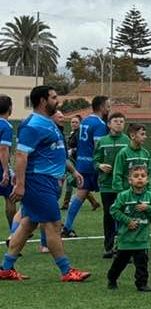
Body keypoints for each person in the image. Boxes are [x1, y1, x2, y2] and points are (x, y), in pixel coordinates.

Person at [0, 86, 90, 282]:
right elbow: (21, 155)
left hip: (47, 182)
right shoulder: (32, 125)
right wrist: (21, 184)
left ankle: (5, 269)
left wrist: (73, 171)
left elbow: (56, 153)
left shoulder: (48, 123)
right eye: (54, 97)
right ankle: (66, 271)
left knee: (28, 223)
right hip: (38, 182)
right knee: (52, 224)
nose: (58, 101)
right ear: (42, 101)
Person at [62, 94, 110, 238]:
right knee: (111, 194)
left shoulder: (86, 121)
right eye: (108, 106)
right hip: (94, 165)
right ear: (101, 107)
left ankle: (67, 227)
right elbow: (98, 146)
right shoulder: (100, 124)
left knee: (80, 195)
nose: (109, 109)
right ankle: (117, 229)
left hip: (82, 163)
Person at [107, 164, 151, 292]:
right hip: (126, 238)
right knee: (120, 262)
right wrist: (127, 221)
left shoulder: (150, 196)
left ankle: (142, 284)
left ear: (147, 180)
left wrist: (148, 208)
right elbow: (114, 210)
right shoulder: (123, 196)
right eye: (136, 176)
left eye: (143, 176)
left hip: (142, 238)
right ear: (130, 180)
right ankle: (112, 278)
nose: (140, 178)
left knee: (142, 263)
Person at [92, 112, 130, 257]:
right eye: (116, 121)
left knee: (123, 215)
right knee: (108, 215)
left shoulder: (127, 141)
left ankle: (122, 246)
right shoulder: (102, 141)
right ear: (108, 124)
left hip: (124, 186)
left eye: (121, 121)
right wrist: (100, 166)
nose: (119, 123)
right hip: (107, 185)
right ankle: (108, 247)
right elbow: (95, 161)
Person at [111, 123, 151, 194]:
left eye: (145, 134)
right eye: (142, 134)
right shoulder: (123, 153)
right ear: (132, 136)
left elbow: (148, 175)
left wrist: (149, 190)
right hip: (126, 194)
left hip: (143, 195)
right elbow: (117, 174)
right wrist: (121, 193)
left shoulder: (146, 154)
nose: (145, 137)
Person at [0, 95, 17, 228]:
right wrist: (6, 170)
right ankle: (14, 231)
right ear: (10, 108)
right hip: (1, 166)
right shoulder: (6, 126)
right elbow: (3, 148)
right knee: (10, 197)